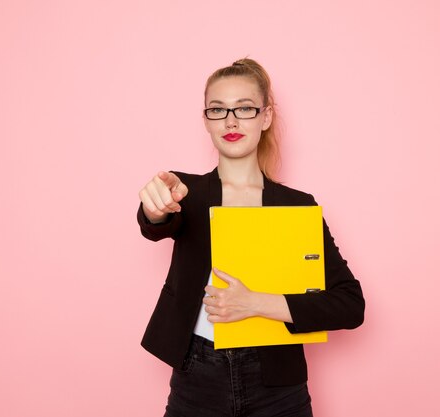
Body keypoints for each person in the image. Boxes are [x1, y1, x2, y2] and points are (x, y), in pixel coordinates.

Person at [137, 58, 365, 417]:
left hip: (278, 384)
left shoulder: (296, 205)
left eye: (244, 108)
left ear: (266, 116)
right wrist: (156, 206)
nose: (231, 121)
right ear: (206, 120)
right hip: (197, 380)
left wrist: (254, 303)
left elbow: (350, 305)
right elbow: (156, 222)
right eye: (218, 110)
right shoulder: (187, 192)